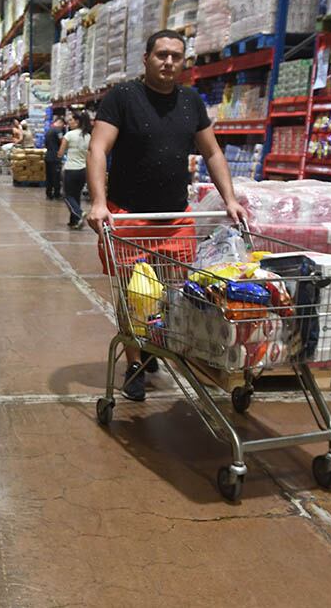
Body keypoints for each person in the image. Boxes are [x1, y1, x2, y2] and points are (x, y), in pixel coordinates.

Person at [87, 29, 247, 402]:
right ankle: (135, 363)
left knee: (174, 294)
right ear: (146, 59)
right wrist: (98, 202)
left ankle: (157, 345)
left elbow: (213, 153)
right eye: (161, 55)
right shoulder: (123, 97)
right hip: (128, 218)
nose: (169, 62)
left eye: (176, 56)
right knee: (132, 295)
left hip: (174, 217)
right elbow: (98, 148)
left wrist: (230, 198)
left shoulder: (191, 101)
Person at [58, 111, 92, 228]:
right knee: (76, 195)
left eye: (71, 120)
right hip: (83, 170)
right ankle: (74, 221)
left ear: (77, 122)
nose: (69, 122)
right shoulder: (88, 136)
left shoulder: (69, 135)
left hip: (71, 169)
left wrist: (61, 154)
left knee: (67, 196)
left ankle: (79, 212)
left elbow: (60, 153)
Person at [43, 116, 66, 200]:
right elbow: (63, 141)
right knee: (56, 176)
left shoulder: (48, 131)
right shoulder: (58, 131)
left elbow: (45, 143)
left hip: (48, 156)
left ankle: (48, 193)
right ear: (60, 122)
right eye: (63, 125)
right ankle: (56, 193)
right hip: (55, 157)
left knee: (49, 176)